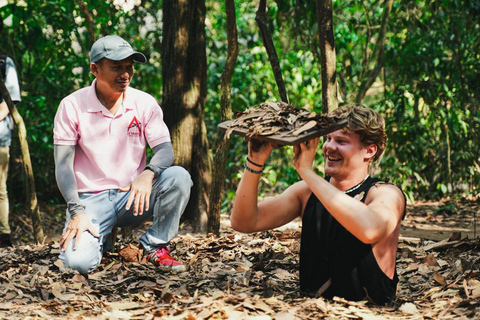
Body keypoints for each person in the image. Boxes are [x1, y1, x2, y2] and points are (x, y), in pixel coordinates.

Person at [230, 104, 406, 305]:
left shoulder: (386, 193)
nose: (329, 147)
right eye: (328, 139)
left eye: (341, 141)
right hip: (308, 311)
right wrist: (255, 160)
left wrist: (306, 171)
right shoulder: (306, 192)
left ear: (369, 150)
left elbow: (370, 229)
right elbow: (244, 223)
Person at [53, 35, 192, 274]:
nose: (125, 74)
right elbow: (63, 165)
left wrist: (148, 174)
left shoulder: (144, 102)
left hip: (133, 195)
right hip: (91, 200)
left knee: (178, 177)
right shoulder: (71, 105)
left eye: (129, 67)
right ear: (95, 69)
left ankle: (155, 246)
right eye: (117, 67)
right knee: (77, 264)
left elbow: (165, 150)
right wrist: (76, 211)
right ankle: (102, 239)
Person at [0, 15, 21, 247]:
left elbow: (10, 101)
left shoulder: (4, 62)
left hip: (0, 137)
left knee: (0, 189)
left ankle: (3, 236)